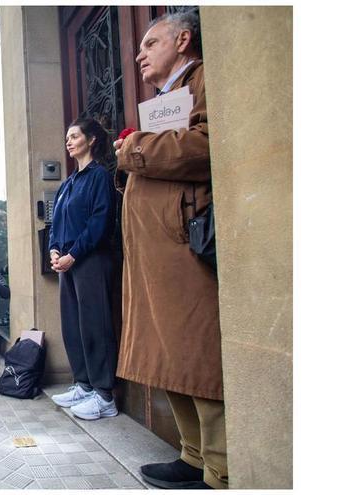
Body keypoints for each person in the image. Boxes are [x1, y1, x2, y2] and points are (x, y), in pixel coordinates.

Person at [112, 10, 226, 490]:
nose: (139, 54)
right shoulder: (165, 97)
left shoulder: (205, 79)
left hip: (184, 245)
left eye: (150, 43)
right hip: (155, 250)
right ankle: (193, 455)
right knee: (169, 355)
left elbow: (208, 145)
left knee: (196, 355)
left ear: (183, 40)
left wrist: (134, 149)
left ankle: (221, 468)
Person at [47, 117, 119, 423]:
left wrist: (73, 254)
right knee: (73, 325)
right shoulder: (68, 183)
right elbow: (55, 224)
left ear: (91, 140)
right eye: (67, 137)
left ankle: (104, 395)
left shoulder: (99, 176)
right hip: (67, 263)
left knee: (94, 325)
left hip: (90, 260)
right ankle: (84, 385)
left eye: (75, 136)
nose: (69, 141)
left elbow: (100, 223)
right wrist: (54, 250)